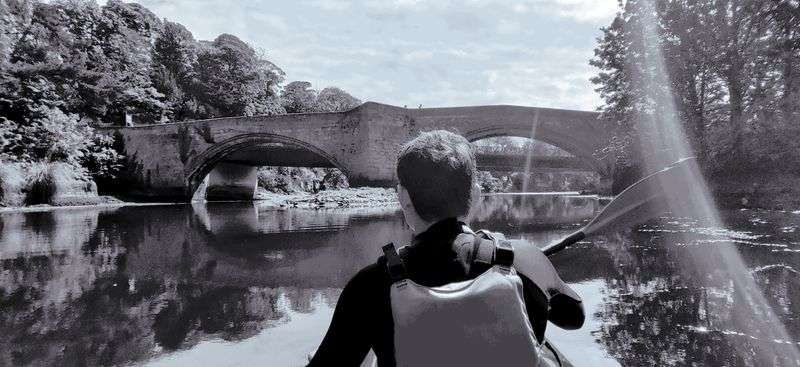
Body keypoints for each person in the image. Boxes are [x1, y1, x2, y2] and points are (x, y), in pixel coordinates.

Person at [308, 130, 584, 366]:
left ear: (403, 198)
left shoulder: (370, 286)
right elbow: (574, 317)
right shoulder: (524, 259)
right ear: (476, 195)